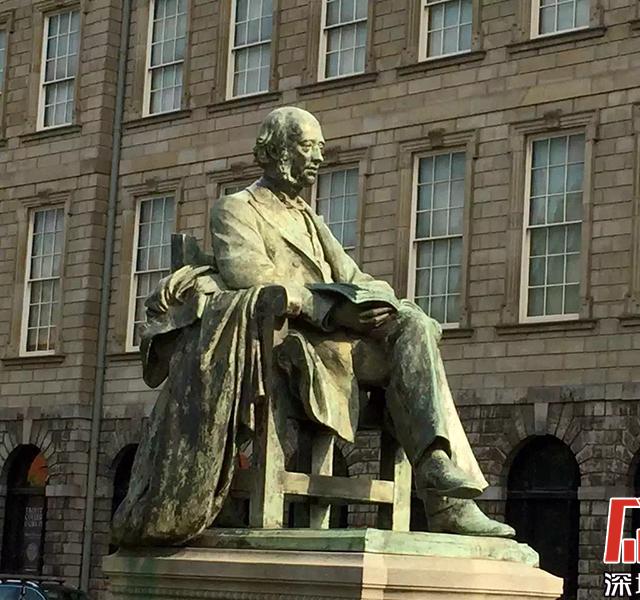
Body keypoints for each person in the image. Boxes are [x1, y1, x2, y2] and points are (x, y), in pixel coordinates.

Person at [111, 107, 513, 547]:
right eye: (309, 147)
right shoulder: (236, 209)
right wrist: (332, 312)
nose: (319, 157)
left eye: (320, 148)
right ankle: (443, 495)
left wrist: (383, 304)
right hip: (289, 343)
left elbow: (354, 276)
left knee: (415, 324)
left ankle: (441, 481)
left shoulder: (309, 219)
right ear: (279, 151)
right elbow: (253, 278)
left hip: (342, 344)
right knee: (406, 346)